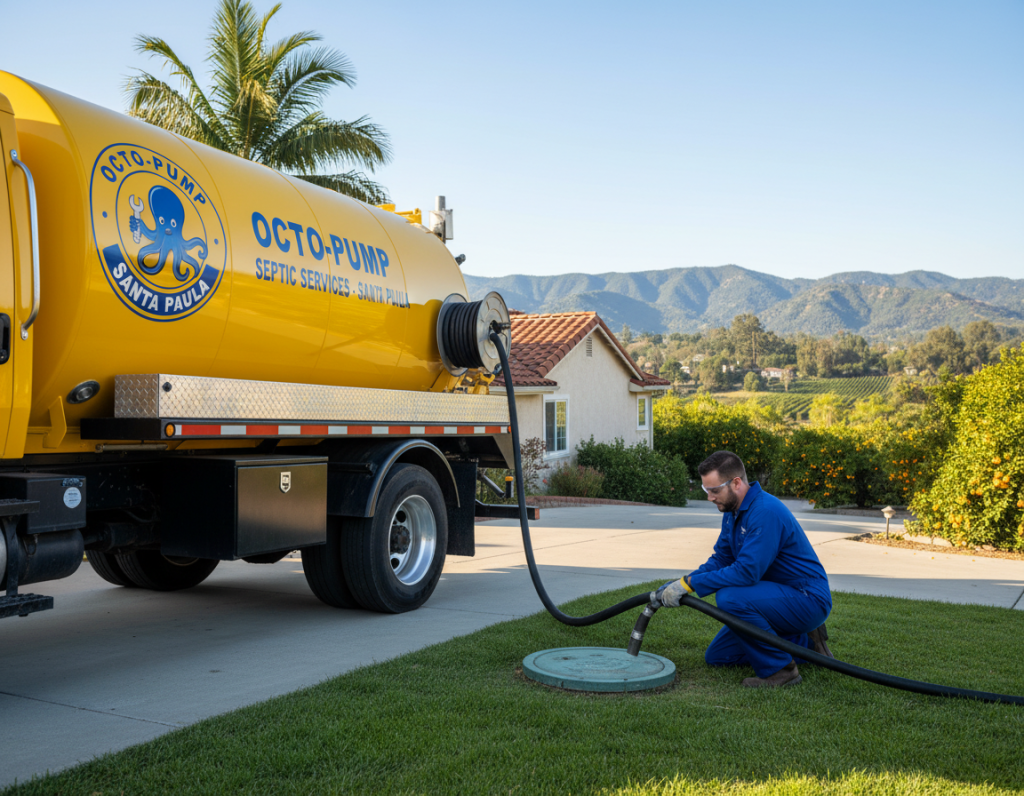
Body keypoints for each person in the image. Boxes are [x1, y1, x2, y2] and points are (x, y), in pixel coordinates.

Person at [659, 450, 834, 688]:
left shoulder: (765, 512)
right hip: (776, 594)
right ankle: (808, 644)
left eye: (714, 490)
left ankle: (782, 670)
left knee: (730, 598)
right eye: (706, 490)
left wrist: (690, 585)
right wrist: (682, 582)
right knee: (718, 657)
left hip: (807, 598)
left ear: (736, 483)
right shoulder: (733, 511)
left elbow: (746, 572)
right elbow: (721, 559)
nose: (710, 497)